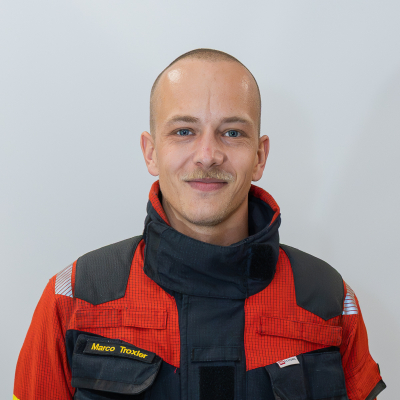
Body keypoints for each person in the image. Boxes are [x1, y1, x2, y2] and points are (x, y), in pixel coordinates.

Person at [13, 49, 385, 400]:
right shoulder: (75, 296)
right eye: (184, 131)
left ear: (259, 156)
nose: (207, 155)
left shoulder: (329, 299)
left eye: (232, 132)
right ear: (151, 152)